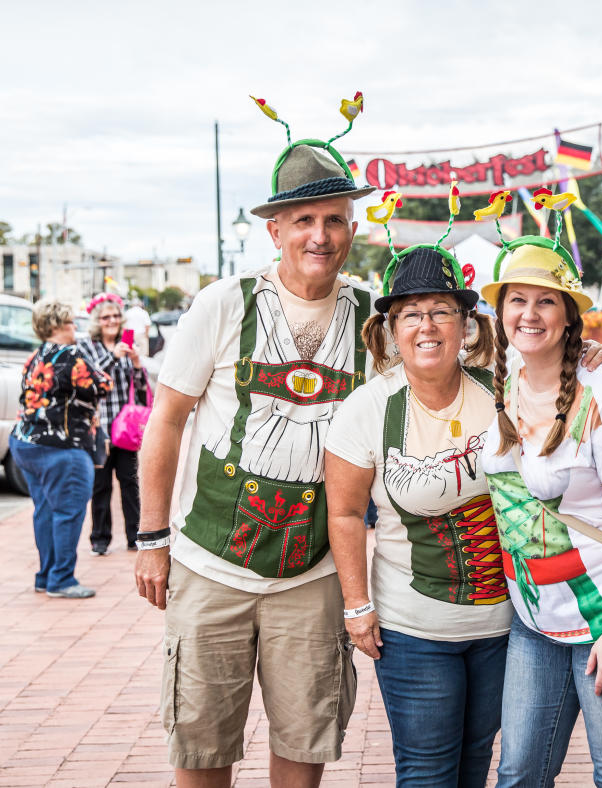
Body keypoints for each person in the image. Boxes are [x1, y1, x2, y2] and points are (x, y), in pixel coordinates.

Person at [133, 94, 376, 787]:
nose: (320, 236)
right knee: (201, 749)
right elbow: (166, 422)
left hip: (314, 574)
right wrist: (152, 541)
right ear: (274, 229)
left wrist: (585, 354)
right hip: (210, 564)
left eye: (333, 220)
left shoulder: (368, 321)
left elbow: (452, 354)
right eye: (303, 220)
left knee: (303, 747)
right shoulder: (224, 303)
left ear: (351, 228)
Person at [478, 221, 602, 787]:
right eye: (518, 301)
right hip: (535, 621)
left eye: (546, 302)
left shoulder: (601, 393)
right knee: (519, 772)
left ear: (568, 315)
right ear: (501, 312)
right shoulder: (499, 381)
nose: (530, 314)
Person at [324, 236, 512, 786]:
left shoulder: (506, 389)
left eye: (441, 312)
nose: (426, 326)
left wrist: (593, 353)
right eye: (410, 314)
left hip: (506, 626)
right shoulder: (367, 409)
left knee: (476, 760)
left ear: (466, 324)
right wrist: (356, 606)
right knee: (428, 770)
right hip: (413, 630)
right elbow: (344, 513)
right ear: (391, 329)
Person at [9, 298, 111, 599]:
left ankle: (45, 575)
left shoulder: (35, 357)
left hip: (25, 442)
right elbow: (101, 385)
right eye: (69, 323)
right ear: (56, 326)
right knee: (68, 512)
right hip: (61, 446)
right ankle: (61, 579)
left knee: (45, 510)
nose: (74, 328)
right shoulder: (71, 356)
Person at [78, 293, 149, 555]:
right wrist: (113, 357)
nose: (112, 320)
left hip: (125, 430)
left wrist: (137, 364)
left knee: (130, 483)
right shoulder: (87, 346)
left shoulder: (127, 345)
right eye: (106, 317)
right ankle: (100, 538)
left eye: (116, 316)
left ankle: (134, 536)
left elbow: (141, 392)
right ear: (97, 320)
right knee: (100, 485)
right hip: (98, 428)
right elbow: (88, 379)